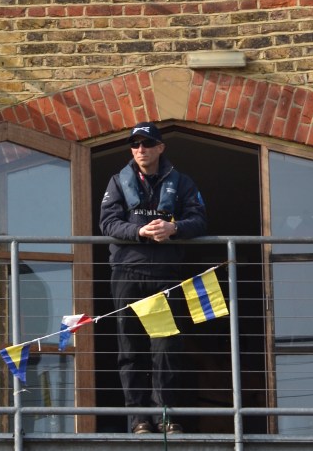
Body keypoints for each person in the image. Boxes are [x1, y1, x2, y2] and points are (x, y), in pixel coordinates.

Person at [99, 122, 207, 436]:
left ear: (160, 147)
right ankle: (139, 420)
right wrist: (139, 232)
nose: (141, 150)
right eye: (135, 145)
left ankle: (165, 417)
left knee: (165, 349)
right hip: (127, 275)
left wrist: (175, 229)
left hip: (164, 278)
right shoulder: (118, 182)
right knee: (130, 351)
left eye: (147, 144)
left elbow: (199, 219)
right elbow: (108, 223)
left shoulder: (182, 182)